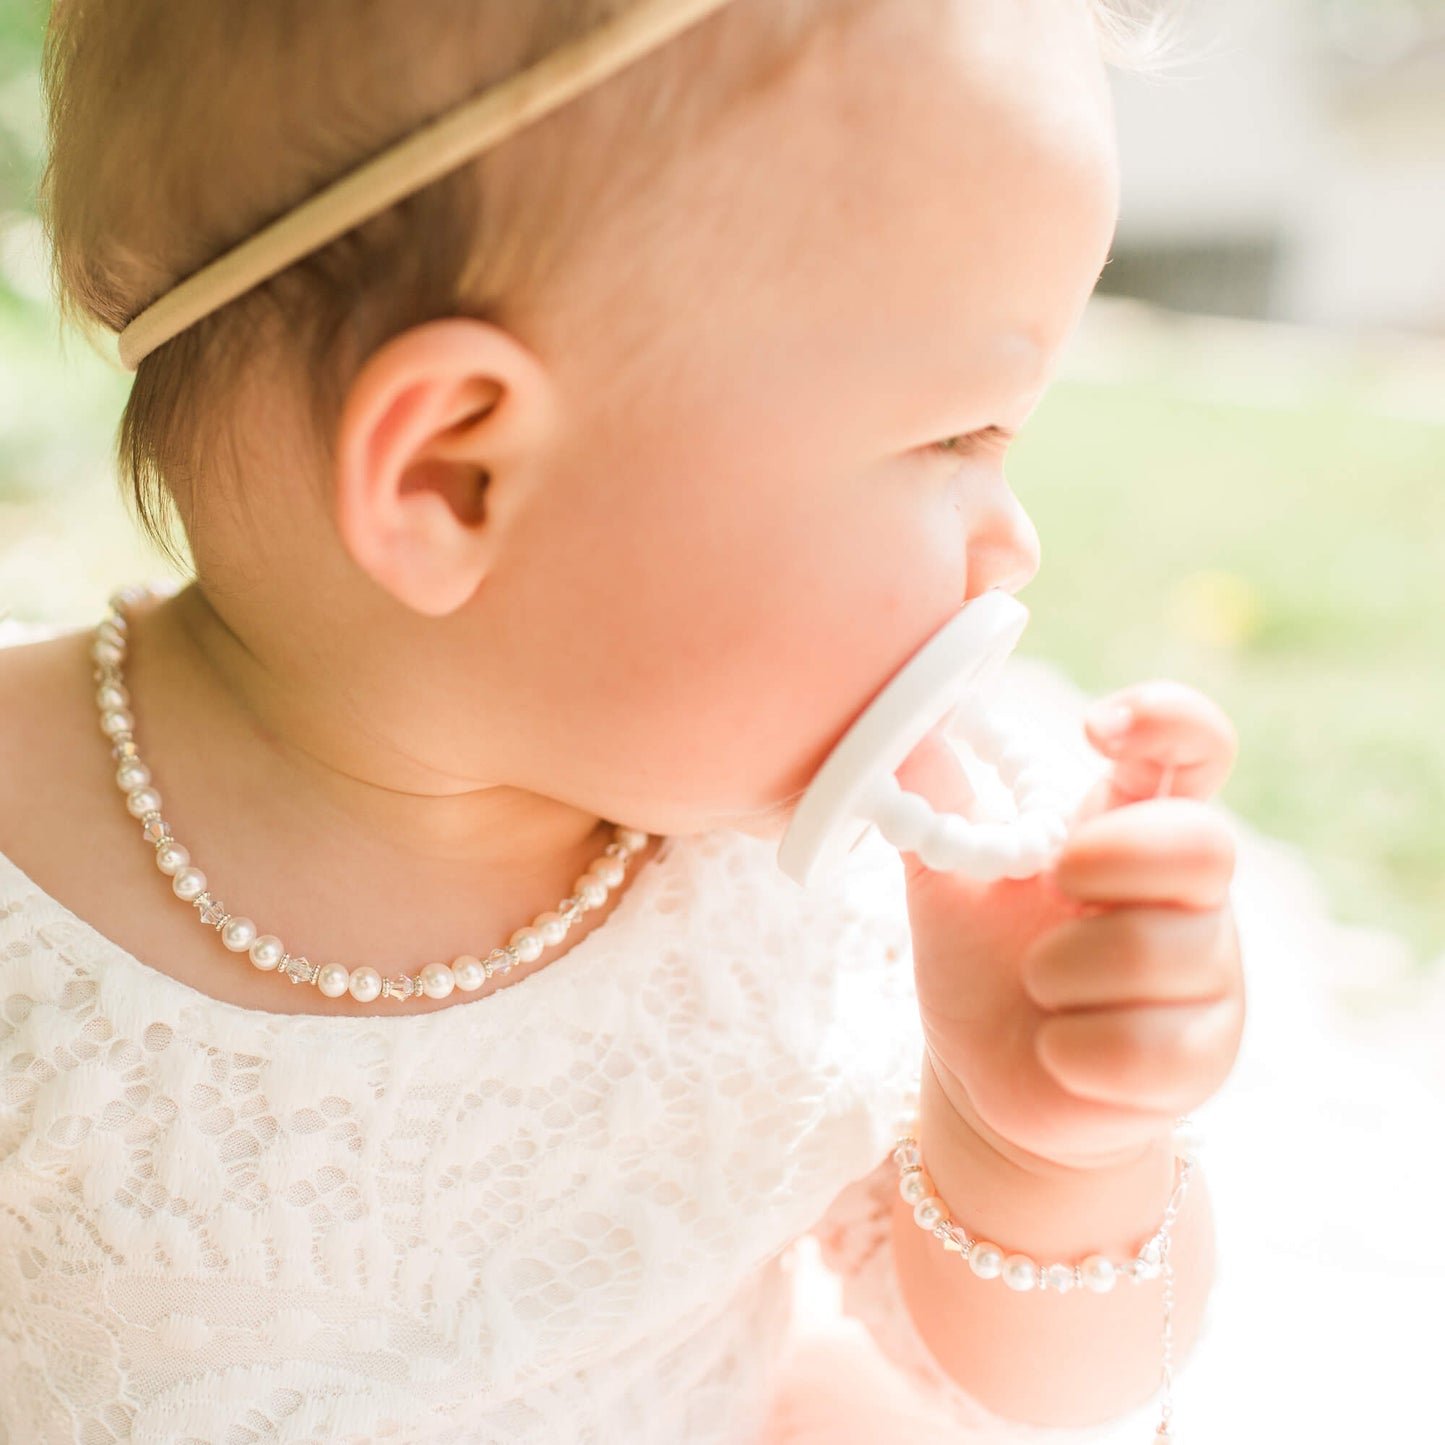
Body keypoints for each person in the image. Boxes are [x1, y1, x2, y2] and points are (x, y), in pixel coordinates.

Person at [0, 1, 1245, 1440]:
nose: (1010, 539)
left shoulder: (806, 892)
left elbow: (1036, 1386)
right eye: (953, 435)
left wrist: (1040, 1141)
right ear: (455, 477)